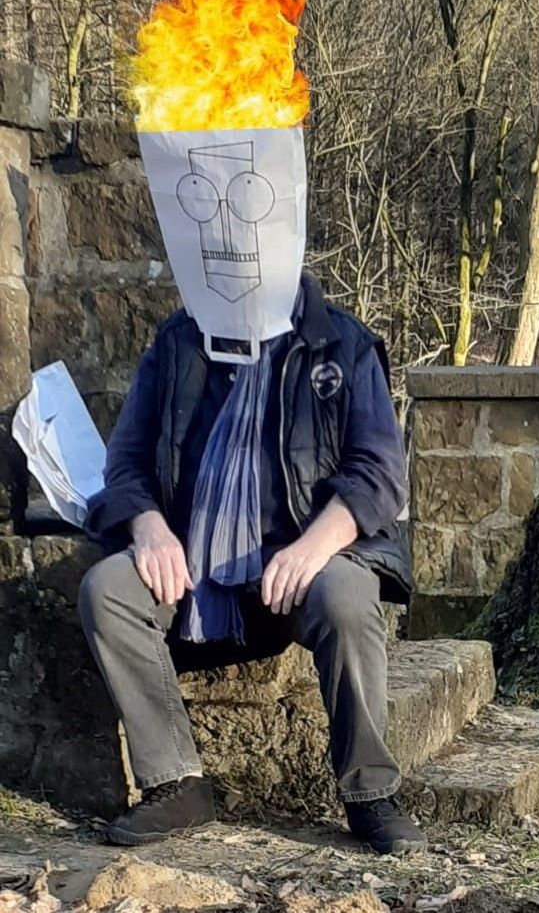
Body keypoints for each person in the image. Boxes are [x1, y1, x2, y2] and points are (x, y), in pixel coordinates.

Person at [79, 270, 426, 855]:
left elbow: (379, 473)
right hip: (190, 565)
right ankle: (177, 783)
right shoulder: (177, 341)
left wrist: (314, 546)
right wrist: (149, 527)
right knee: (106, 589)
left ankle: (371, 793)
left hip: (305, 559)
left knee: (346, 596)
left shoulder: (343, 344)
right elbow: (126, 462)